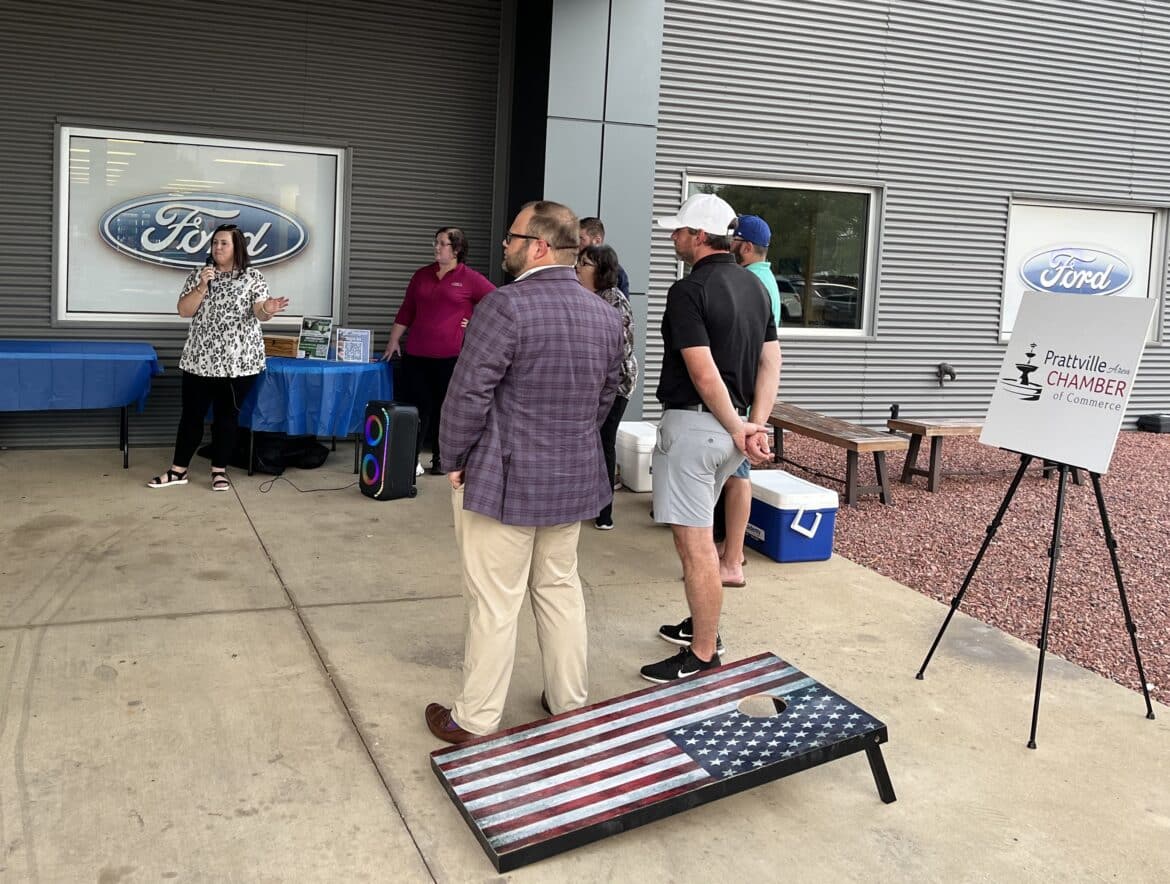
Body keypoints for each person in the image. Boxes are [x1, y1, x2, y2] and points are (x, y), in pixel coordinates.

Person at [424, 200, 623, 744]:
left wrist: (454, 458)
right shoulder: (605, 314)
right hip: (571, 476)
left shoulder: (505, 306)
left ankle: (475, 719)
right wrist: (571, 442)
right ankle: (568, 702)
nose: (504, 245)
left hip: (504, 478)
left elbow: (468, 393)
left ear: (539, 246)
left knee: (494, 600)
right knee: (559, 588)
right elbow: (606, 395)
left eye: (512, 237)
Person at [641, 193, 780, 683]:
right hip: (729, 429)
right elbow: (771, 362)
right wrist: (752, 423)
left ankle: (703, 654)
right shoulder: (755, 286)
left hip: (697, 429)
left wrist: (741, 427)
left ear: (699, 236)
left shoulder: (688, 290)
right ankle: (702, 626)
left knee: (695, 547)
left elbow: (702, 372)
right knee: (701, 540)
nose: (674, 238)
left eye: (679, 231)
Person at [147, 224, 290, 491]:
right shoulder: (199, 275)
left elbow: (260, 312)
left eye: (224, 243)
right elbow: (184, 311)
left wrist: (269, 309)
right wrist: (202, 285)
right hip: (199, 359)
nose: (217, 247)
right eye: (215, 243)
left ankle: (219, 470)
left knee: (226, 417)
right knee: (192, 415)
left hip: (238, 363)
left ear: (237, 247)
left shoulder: (253, 277)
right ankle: (178, 470)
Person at [382, 227, 494, 476]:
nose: (436, 247)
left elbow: (497, 302)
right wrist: (393, 341)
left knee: (446, 409)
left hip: (451, 357)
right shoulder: (421, 275)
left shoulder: (470, 278)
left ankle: (442, 458)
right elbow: (407, 309)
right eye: (436, 242)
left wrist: (473, 321)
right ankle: (411, 459)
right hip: (417, 354)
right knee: (417, 407)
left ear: (457, 249)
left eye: (443, 243)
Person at [712, 214, 784, 584]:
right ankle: (731, 551)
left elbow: (759, 354)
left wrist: (755, 420)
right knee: (734, 476)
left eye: (733, 241)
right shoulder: (765, 280)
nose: (728, 247)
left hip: (742, 396)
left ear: (747, 246)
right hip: (748, 395)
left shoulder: (752, 282)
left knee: (737, 478)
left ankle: (733, 559)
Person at [577, 243, 638, 530]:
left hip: (616, 384)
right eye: (578, 262)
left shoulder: (614, 301)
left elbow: (621, 350)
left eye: (585, 263)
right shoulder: (581, 296)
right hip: (589, 383)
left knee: (604, 440)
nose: (578, 268)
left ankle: (604, 511)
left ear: (601, 270)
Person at [578, 216, 630, 297]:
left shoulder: (617, 272)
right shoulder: (571, 264)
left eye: (581, 238)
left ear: (597, 241)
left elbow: (622, 303)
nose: (577, 243)